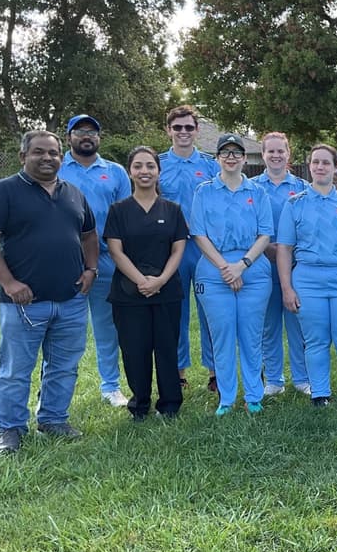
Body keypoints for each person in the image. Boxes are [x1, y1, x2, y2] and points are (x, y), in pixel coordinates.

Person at [0, 130, 98, 454]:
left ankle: (54, 419)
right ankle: (11, 429)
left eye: (53, 153)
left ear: (62, 156)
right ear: (23, 157)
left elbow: (89, 236)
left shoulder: (73, 193)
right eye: (39, 152)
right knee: (16, 370)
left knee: (64, 366)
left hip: (70, 300)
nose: (47, 158)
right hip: (23, 304)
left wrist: (91, 270)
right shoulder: (3, 192)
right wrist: (10, 283)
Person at [277, 144, 337, 406]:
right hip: (307, 278)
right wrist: (287, 287)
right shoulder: (295, 204)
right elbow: (284, 249)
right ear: (309, 167)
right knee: (315, 339)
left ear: (336, 167)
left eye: (326, 163)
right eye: (315, 162)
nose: (320, 167)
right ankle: (320, 393)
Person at [189, 133, 273, 416]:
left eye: (237, 152)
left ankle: (253, 395)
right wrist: (225, 267)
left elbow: (265, 234)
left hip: (253, 268)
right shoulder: (204, 191)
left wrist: (242, 265)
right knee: (222, 335)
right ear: (217, 158)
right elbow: (198, 233)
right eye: (225, 152)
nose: (231, 157)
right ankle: (226, 397)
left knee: (251, 335)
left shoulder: (257, 193)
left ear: (244, 158)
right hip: (214, 270)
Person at [104, 146, 189, 421]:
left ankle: (170, 404)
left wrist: (161, 280)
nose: (144, 171)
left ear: (158, 171)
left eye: (150, 166)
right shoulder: (118, 210)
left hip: (167, 291)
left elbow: (178, 249)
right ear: (130, 171)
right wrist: (142, 281)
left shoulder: (173, 210)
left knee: (166, 347)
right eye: (138, 166)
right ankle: (139, 405)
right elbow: (116, 250)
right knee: (135, 349)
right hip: (129, 293)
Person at [57, 114, 132, 407]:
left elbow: (126, 216)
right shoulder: (55, 168)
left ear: (99, 138)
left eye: (92, 131)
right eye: (79, 131)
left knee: (106, 327)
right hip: (64, 262)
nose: (86, 136)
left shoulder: (115, 172)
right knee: (61, 330)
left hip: (106, 261)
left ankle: (110, 387)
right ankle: (50, 393)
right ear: (69, 137)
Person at [158, 105, 220, 390]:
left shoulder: (210, 165)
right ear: (168, 130)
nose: (183, 132)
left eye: (189, 127)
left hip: (204, 247)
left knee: (210, 309)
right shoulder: (157, 164)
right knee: (175, 311)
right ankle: (178, 372)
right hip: (171, 249)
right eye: (177, 127)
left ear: (197, 131)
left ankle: (214, 372)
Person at [252, 132, 310, 396]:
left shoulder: (302, 188)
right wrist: (267, 248)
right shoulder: (251, 187)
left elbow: (310, 226)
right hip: (261, 264)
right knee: (268, 325)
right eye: (270, 151)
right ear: (263, 154)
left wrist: (288, 250)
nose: (276, 155)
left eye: (281, 151)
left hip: (296, 266)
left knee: (297, 323)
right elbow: (246, 224)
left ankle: (301, 377)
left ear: (289, 154)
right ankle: (274, 379)